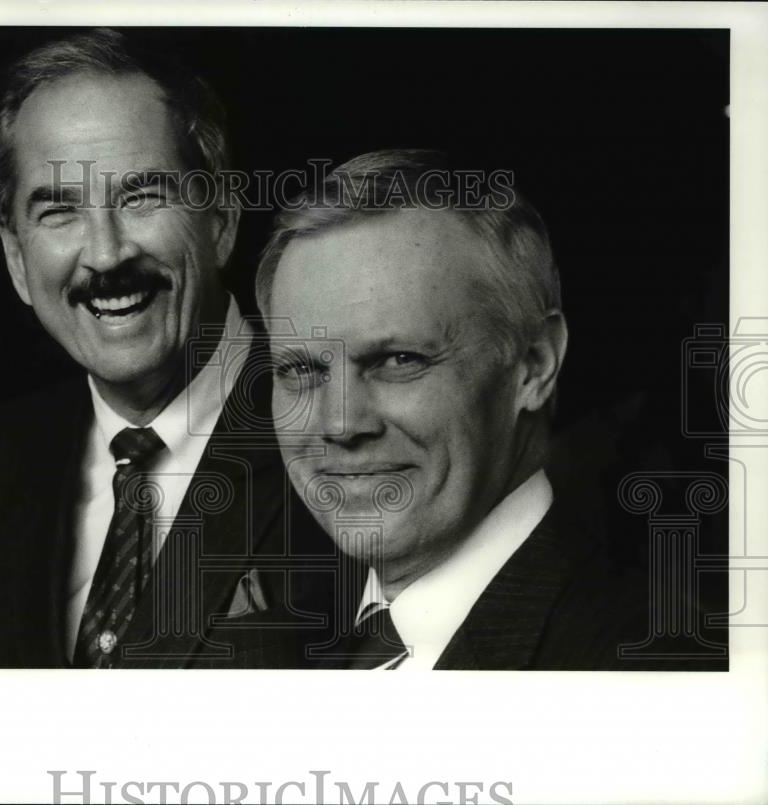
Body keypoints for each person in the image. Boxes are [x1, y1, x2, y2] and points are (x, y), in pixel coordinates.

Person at [0, 29, 335, 668]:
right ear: (16, 256)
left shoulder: (339, 426)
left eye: (141, 196)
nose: (105, 253)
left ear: (222, 219)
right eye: (59, 211)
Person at [250, 149, 728, 670]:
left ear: (533, 365)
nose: (339, 423)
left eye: (398, 359)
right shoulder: (280, 643)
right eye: (299, 370)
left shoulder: (650, 667)